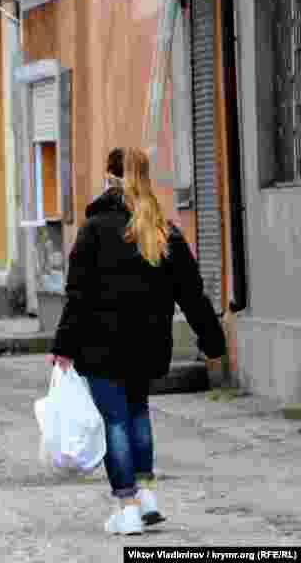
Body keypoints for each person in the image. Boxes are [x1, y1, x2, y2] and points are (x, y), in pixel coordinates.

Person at [48, 147, 226, 536]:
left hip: (100, 345)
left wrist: (63, 346)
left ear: (108, 177)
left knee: (115, 420)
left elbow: (77, 294)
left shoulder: (94, 229)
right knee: (137, 413)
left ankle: (127, 507)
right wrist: (213, 341)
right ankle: (146, 498)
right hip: (148, 345)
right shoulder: (163, 230)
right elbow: (192, 293)